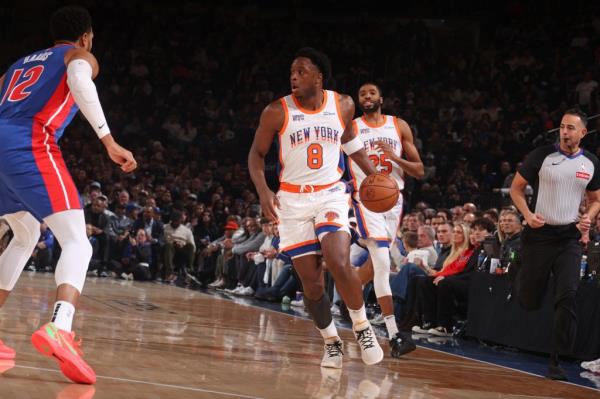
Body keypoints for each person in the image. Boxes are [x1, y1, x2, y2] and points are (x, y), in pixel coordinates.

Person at [0, 6, 136, 384]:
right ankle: (60, 326)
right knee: (79, 242)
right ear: (86, 36)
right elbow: (80, 79)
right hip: (30, 142)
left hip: (1, 143)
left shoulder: (19, 64)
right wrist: (107, 140)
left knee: (25, 235)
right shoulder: (78, 55)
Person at [248, 47, 383, 369]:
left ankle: (362, 327)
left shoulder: (343, 104)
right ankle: (331, 341)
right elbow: (256, 156)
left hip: (331, 193)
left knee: (338, 260)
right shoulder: (276, 111)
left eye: (302, 71)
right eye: (292, 71)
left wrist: (372, 175)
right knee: (311, 282)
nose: (294, 76)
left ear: (319, 76)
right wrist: (264, 191)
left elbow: (350, 142)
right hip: (292, 201)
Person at [510, 108, 600, 381]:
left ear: (583, 133)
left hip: (569, 238)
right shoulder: (542, 155)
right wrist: (526, 215)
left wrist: (588, 218)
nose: (565, 131)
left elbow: (596, 200)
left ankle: (556, 360)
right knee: (529, 299)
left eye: (571, 128)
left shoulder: (591, 163)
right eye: (562, 126)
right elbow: (516, 188)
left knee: (568, 295)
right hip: (538, 236)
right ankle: (517, 271)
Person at [349, 82, 424, 357]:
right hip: (366, 198)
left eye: (371, 92)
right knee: (382, 263)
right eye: (362, 94)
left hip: (393, 200)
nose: (367, 97)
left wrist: (395, 158)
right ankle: (394, 336)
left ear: (381, 97)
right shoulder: (353, 126)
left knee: (372, 267)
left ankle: (346, 294)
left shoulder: (399, 125)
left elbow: (419, 170)